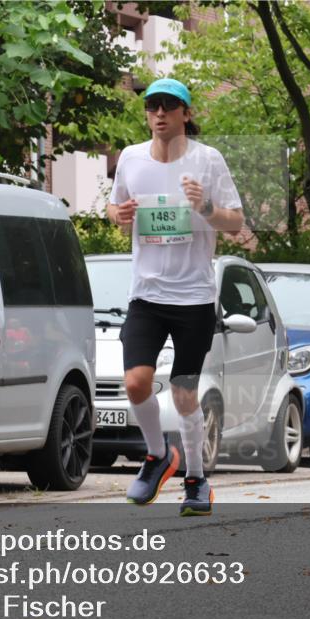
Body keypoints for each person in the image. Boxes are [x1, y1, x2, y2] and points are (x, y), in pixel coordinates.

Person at [105, 78, 244, 515]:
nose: (159, 113)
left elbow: (235, 223)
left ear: (186, 112)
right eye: (152, 106)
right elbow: (114, 208)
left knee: (184, 392)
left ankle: (197, 481)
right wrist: (119, 216)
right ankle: (157, 455)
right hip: (146, 294)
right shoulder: (130, 158)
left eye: (169, 105)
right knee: (135, 382)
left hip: (194, 298)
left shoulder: (208, 160)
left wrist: (205, 208)